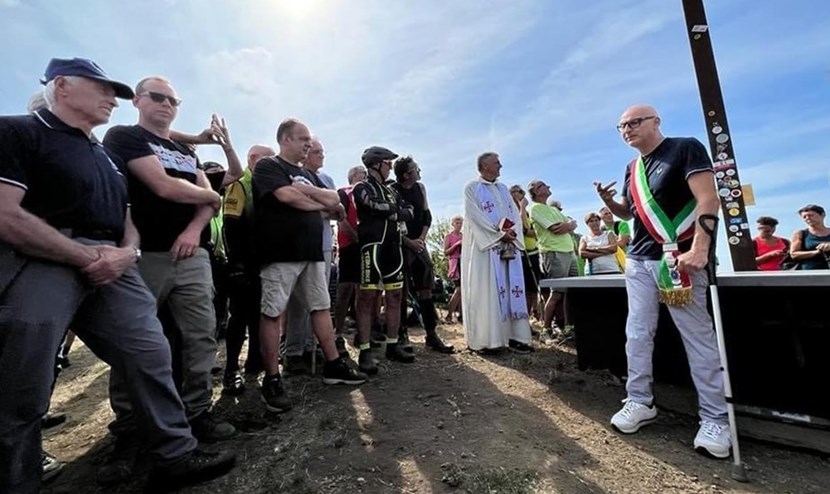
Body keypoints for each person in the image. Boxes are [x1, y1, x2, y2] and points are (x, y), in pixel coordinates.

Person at [0, 57, 235, 494]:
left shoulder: (104, 157)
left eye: (118, 93)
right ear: (62, 86)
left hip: (117, 259)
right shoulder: (19, 131)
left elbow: (127, 215)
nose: (112, 98)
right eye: (103, 88)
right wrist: (83, 254)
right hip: (43, 259)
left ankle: (174, 453)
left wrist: (126, 251)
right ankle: (20, 479)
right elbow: (6, 214)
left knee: (150, 351)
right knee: (24, 383)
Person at [103, 76, 236, 454]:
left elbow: (210, 202)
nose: (166, 104)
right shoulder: (123, 136)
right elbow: (162, 185)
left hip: (192, 256)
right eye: (158, 97)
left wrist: (194, 229)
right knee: (136, 341)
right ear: (137, 101)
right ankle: (129, 426)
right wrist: (208, 195)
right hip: (143, 255)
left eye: (173, 100)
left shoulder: (184, 151)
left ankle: (197, 412)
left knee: (201, 335)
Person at [594, 103, 731, 458]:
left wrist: (700, 248)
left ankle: (715, 418)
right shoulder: (632, 168)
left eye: (634, 122)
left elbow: (708, 199)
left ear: (656, 121)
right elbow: (631, 212)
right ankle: (639, 400)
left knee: (697, 336)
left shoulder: (685, 148)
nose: (627, 129)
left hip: (679, 259)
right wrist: (610, 202)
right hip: (639, 259)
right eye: (622, 126)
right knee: (638, 333)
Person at [253, 118, 367, 413]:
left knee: (320, 307)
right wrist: (318, 203)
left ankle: (333, 365)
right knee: (272, 312)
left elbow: (336, 200)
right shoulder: (269, 166)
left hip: (312, 252)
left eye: (309, 140)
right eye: (303, 139)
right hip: (280, 252)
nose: (308, 144)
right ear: (285, 139)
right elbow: (286, 196)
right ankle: (272, 379)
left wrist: (309, 194)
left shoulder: (307, 174)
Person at [352, 146, 417, 373]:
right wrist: (394, 211)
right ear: (376, 164)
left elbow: (409, 210)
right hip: (372, 247)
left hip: (394, 248)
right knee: (366, 298)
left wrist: (393, 211)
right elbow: (371, 204)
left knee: (395, 296)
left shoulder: (392, 190)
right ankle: (365, 350)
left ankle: (392, 344)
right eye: (388, 163)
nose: (390, 167)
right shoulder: (362, 187)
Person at [461, 153, 533, 353]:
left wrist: (512, 233)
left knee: (512, 289)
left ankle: (516, 337)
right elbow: (474, 216)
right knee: (489, 292)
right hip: (487, 250)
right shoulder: (472, 188)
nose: (500, 165)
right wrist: (498, 234)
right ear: (485, 166)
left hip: (508, 248)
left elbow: (514, 215)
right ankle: (489, 340)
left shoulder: (503, 189)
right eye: (496, 163)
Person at [222, 144, 275, 393]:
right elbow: (230, 224)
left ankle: (255, 360)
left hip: (261, 261)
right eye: (268, 159)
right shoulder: (240, 183)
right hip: (243, 262)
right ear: (253, 158)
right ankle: (231, 369)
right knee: (239, 316)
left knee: (258, 314)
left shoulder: (262, 183)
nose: (273, 164)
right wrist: (237, 264)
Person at [284, 136, 339, 374]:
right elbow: (298, 206)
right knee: (298, 301)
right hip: (299, 243)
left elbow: (338, 209)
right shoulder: (294, 176)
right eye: (317, 151)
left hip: (324, 245)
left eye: (322, 151)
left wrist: (320, 205)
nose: (321, 155)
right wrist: (323, 206)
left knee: (319, 299)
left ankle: (311, 347)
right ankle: (293, 351)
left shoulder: (327, 180)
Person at [391, 155, 454, 353]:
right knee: (401, 291)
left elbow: (427, 215)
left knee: (426, 288)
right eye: (415, 169)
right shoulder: (392, 190)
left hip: (419, 243)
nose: (419, 171)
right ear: (406, 174)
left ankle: (431, 334)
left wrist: (421, 239)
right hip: (401, 244)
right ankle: (402, 336)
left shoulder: (420, 188)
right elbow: (391, 221)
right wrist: (408, 241)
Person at [526, 180, 578, 342]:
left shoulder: (552, 209)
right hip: (554, 253)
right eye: (542, 185)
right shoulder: (535, 208)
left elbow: (573, 223)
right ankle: (546, 329)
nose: (548, 186)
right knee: (557, 293)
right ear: (535, 191)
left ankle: (567, 327)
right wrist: (569, 225)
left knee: (571, 292)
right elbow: (555, 228)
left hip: (569, 253)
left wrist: (569, 225)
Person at [334, 165, 368, 352]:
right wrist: (356, 238)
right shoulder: (344, 192)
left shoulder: (368, 194)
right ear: (354, 175)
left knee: (364, 291)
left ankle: (363, 335)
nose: (366, 176)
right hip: (349, 246)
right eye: (363, 173)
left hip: (366, 247)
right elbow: (342, 220)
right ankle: (338, 333)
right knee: (345, 289)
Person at [509, 185, 543, 323]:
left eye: (520, 192)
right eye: (515, 192)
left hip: (533, 251)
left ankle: (535, 312)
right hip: (521, 254)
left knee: (533, 287)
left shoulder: (528, 213)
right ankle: (525, 317)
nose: (519, 194)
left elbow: (533, 231)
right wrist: (522, 207)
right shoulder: (511, 211)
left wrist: (528, 231)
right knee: (525, 288)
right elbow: (522, 228)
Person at [789, 204, 830, 270]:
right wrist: (818, 252)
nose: (807, 218)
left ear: (822, 215)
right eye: (804, 217)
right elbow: (794, 254)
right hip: (809, 272)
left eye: (811, 215)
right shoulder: (800, 234)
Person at [443, 215, 463, 323]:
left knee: (463, 290)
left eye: (460, 223)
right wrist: (456, 245)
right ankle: (449, 315)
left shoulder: (463, 236)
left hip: (463, 263)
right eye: (457, 223)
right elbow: (446, 252)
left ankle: (461, 315)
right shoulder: (449, 236)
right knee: (458, 289)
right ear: (453, 224)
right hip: (455, 263)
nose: (459, 225)